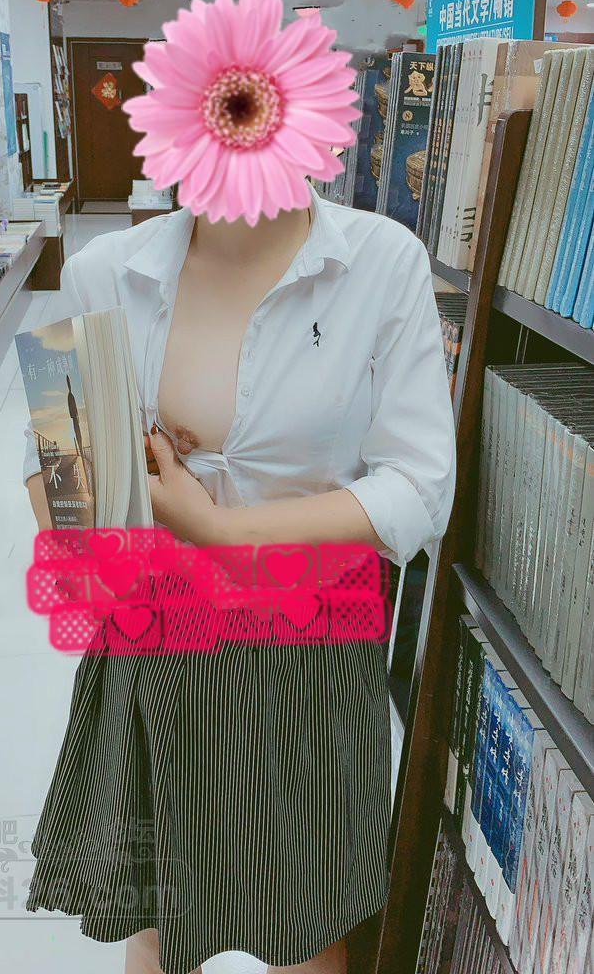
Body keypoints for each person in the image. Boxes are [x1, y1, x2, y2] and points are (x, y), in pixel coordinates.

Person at [23, 187, 456, 974]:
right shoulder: (103, 270)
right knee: (157, 918)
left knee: (306, 920)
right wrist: (105, 489)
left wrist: (219, 530)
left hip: (312, 643)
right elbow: (57, 474)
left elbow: (418, 487)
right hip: (153, 640)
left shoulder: (379, 259)